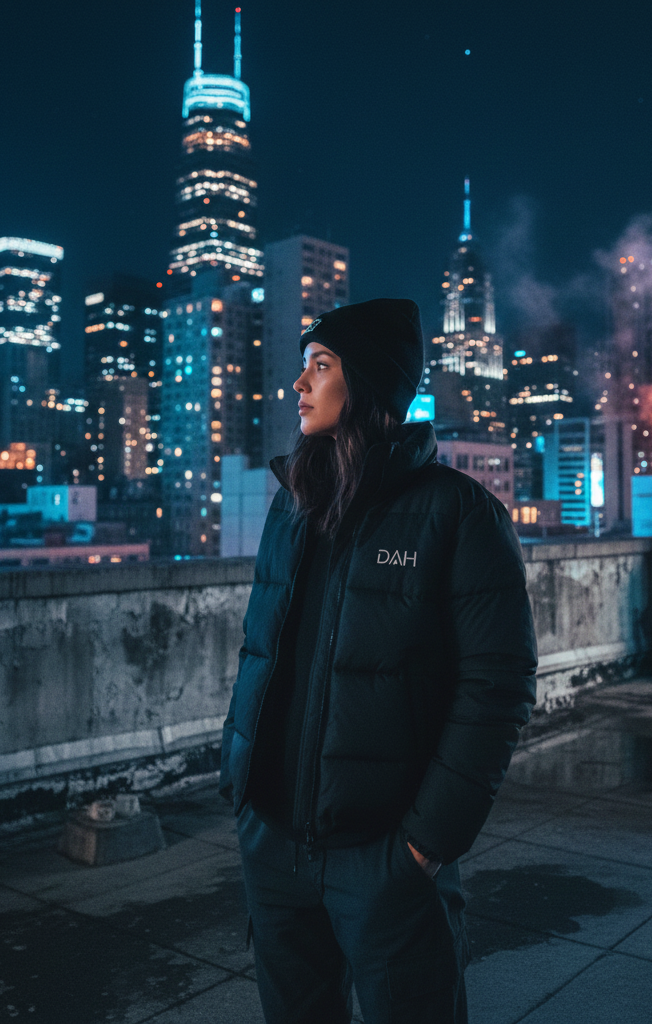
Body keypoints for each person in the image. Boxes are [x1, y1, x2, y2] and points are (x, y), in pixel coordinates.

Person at [220, 297, 537, 1024]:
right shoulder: (290, 504)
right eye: (303, 368)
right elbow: (260, 651)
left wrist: (427, 845)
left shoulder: (457, 514)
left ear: (365, 384)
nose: (298, 386)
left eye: (321, 367)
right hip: (272, 841)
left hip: (385, 860)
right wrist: (240, 790)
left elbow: (498, 684)